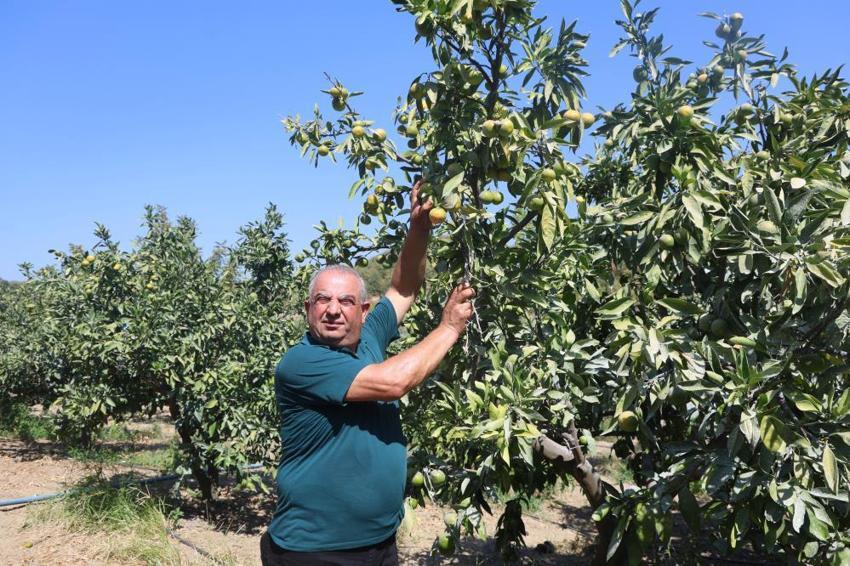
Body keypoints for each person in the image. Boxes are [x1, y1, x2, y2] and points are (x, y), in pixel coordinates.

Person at [260, 182, 476, 565]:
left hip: (378, 544)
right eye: (322, 300)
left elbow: (403, 288)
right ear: (308, 308)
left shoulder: (370, 337)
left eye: (345, 301)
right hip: (316, 549)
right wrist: (449, 329)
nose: (333, 310)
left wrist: (420, 228)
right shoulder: (303, 362)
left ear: (363, 310)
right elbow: (394, 383)